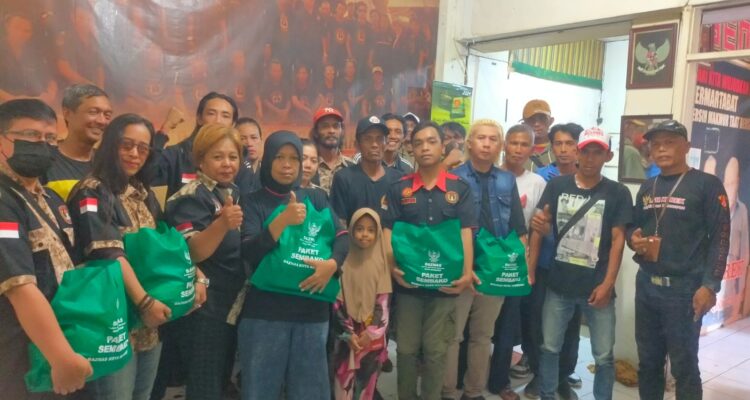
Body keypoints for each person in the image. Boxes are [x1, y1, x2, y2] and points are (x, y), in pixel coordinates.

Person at [68, 114, 174, 400]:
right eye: (126, 145)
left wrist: (195, 279)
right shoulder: (92, 190)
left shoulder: (142, 192)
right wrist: (145, 302)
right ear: (110, 144)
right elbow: (107, 253)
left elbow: (164, 245)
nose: (134, 154)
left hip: (148, 323)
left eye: (143, 148)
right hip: (113, 324)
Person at [238, 131, 349, 400]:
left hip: (312, 312)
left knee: (309, 391)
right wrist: (283, 220)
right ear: (268, 160)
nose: (287, 165)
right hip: (265, 313)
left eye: (294, 158)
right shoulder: (252, 201)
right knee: (260, 390)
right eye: (279, 157)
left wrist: (332, 265)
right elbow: (249, 252)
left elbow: (343, 237)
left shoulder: (316, 198)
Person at [628, 120, 730, 400]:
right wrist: (632, 238)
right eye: (656, 144)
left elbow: (721, 238)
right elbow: (634, 227)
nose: (661, 149)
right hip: (647, 286)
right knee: (648, 363)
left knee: (684, 367)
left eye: (670, 143)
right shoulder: (647, 187)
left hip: (685, 290)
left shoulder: (707, 185)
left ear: (686, 147)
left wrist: (709, 285)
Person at [529, 127, 632, 400]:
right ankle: (547, 395)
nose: (590, 158)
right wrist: (530, 269)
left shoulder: (618, 192)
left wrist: (608, 284)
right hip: (558, 285)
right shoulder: (557, 186)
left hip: (597, 289)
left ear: (608, 156)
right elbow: (540, 226)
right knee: (549, 348)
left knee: (604, 356)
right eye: (585, 151)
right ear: (577, 152)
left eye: (597, 152)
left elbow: (618, 240)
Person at [0, 98, 92, 399]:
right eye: (30, 135)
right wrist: (61, 356)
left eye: (50, 138)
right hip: (21, 352)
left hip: (63, 338)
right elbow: (19, 286)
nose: (42, 145)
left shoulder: (52, 199)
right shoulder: (4, 201)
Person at [382, 121, 476, 400]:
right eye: (418, 143)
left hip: (445, 285)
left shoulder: (460, 188)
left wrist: (467, 273)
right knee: (406, 350)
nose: (425, 147)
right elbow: (387, 230)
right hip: (408, 285)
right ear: (411, 149)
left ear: (442, 146)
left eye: (431, 141)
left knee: (436, 351)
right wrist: (391, 267)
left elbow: (466, 231)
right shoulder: (399, 188)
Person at [444, 120, 527, 400]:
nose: (487, 144)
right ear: (469, 142)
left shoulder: (507, 180)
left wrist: (517, 266)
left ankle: (473, 391)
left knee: (483, 336)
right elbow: (445, 226)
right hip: (460, 267)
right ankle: (447, 391)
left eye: (493, 139)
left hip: (494, 270)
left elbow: (518, 226)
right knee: (453, 335)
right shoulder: (453, 177)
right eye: (481, 138)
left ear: (499, 145)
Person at [164, 123, 244, 400]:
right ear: (200, 160)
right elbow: (192, 252)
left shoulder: (230, 191)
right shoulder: (190, 196)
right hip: (202, 308)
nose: (227, 164)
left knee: (221, 380)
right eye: (218, 157)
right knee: (204, 384)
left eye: (233, 157)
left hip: (228, 304)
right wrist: (222, 224)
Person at [487, 124, 547, 400]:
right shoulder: (489, 175)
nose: (518, 149)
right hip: (485, 260)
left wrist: (529, 268)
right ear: (504, 145)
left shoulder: (537, 183)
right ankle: (468, 374)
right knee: (477, 325)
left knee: (508, 326)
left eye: (525, 145)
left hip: (515, 263)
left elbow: (536, 230)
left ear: (532, 150)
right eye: (514, 143)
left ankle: (500, 381)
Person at [526, 122, 586, 399]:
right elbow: (534, 221)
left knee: (570, 326)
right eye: (558, 144)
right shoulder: (541, 177)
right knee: (537, 322)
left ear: (578, 147)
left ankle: (562, 377)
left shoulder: (588, 179)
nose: (563, 150)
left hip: (575, 267)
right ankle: (539, 374)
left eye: (569, 143)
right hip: (543, 262)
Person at [333, 208, 392, 400]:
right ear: (350, 230)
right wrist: (348, 333)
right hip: (346, 336)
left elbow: (383, 303)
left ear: (377, 233)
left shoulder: (381, 263)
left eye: (370, 230)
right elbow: (336, 301)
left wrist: (371, 332)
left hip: (371, 338)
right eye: (359, 229)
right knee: (342, 381)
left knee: (366, 383)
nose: (364, 234)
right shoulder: (342, 261)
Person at [152, 92, 254, 199]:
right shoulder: (178, 153)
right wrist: (164, 130)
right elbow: (148, 174)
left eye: (225, 116)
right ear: (199, 118)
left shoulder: (240, 157)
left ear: (233, 124)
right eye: (211, 114)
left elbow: (245, 199)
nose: (218, 121)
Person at [44, 84, 113, 201]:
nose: (102, 121)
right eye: (93, 112)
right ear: (67, 113)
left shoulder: (109, 164)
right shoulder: (44, 160)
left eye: (107, 115)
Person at [331, 116, 404, 225]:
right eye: (368, 139)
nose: (374, 145)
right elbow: (339, 224)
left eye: (380, 139)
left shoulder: (398, 180)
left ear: (386, 144)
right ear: (357, 145)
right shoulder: (343, 178)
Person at [0, 11, 58, 103]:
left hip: (31, 103)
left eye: (26, 31)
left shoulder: (33, 52)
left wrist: (51, 94)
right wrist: (11, 99)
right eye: (17, 27)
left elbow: (49, 79)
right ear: (7, 27)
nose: (20, 33)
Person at [311, 107, 354, 193]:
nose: (331, 131)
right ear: (316, 132)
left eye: (336, 126)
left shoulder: (353, 167)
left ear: (342, 131)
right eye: (325, 126)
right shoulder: (307, 166)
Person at [521, 100, 555, 172]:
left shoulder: (560, 149)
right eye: (531, 120)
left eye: (542, 119)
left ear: (551, 121)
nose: (537, 124)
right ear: (524, 124)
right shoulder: (518, 151)